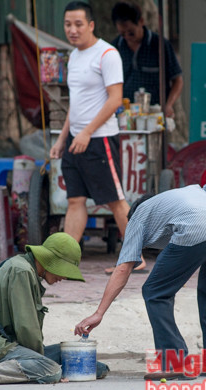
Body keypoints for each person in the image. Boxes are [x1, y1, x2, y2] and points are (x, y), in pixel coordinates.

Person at [74, 176, 206, 380]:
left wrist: (99, 312)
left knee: (154, 292)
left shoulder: (137, 217)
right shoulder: (191, 192)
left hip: (196, 231)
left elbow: (123, 269)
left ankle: (175, 363)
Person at [0, 232, 109, 386]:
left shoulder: (28, 270)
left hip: (9, 347)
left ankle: (42, 367)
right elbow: (26, 329)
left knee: (94, 367)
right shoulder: (21, 271)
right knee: (51, 371)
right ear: (52, 261)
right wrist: (46, 367)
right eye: (64, 271)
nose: (64, 277)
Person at [50, 1, 145, 273]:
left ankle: (136, 257)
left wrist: (88, 132)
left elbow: (115, 99)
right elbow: (76, 105)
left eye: (78, 24)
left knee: (115, 200)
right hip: (75, 140)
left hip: (99, 139)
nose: (73, 30)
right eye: (68, 24)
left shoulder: (107, 54)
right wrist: (62, 139)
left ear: (91, 25)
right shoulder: (74, 57)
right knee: (75, 200)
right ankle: (64, 258)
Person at [111, 1, 183, 119]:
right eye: (123, 34)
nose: (128, 38)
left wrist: (168, 105)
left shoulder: (160, 45)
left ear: (141, 22)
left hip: (154, 113)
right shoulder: (114, 48)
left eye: (131, 33)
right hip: (123, 114)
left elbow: (177, 80)